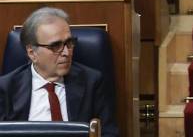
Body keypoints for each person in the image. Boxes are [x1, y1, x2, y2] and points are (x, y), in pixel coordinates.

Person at [0, 8, 118, 137]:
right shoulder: (6, 88)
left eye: (69, 43)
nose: (66, 52)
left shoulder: (92, 82)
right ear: (32, 53)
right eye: (55, 46)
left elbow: (109, 133)